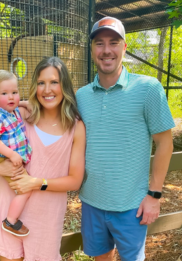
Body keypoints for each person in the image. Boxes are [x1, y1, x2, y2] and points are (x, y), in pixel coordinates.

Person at [76, 16, 175, 261]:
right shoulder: (81, 96)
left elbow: (165, 143)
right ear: (91, 49)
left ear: (124, 47)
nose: (106, 50)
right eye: (99, 43)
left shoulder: (148, 88)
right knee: (101, 258)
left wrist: (154, 195)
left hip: (132, 205)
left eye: (113, 42)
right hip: (91, 201)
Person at [0, 57, 86, 261]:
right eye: (41, 83)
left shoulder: (75, 126)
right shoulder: (20, 114)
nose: (47, 89)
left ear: (64, 85)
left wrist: (35, 183)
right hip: (9, 208)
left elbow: (75, 180)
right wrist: (1, 169)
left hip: (45, 215)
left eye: (54, 82)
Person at [0, 70, 32, 236]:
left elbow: (16, 102)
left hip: (9, 157)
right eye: (4, 93)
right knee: (25, 190)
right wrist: (11, 155)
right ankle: (10, 221)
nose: (11, 97)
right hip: (6, 157)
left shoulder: (12, 110)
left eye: (14, 92)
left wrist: (24, 103)